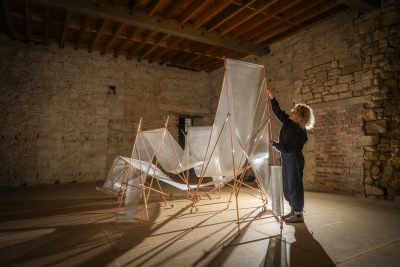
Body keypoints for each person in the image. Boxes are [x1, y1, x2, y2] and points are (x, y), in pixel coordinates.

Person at [267, 86, 314, 223]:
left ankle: (298, 214)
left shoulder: (301, 132)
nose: (290, 114)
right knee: (287, 187)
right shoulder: (288, 121)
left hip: (293, 158)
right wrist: (271, 96)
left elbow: (289, 148)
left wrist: (275, 144)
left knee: (294, 186)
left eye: (293, 113)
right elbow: (278, 111)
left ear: (299, 117)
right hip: (286, 158)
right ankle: (293, 210)